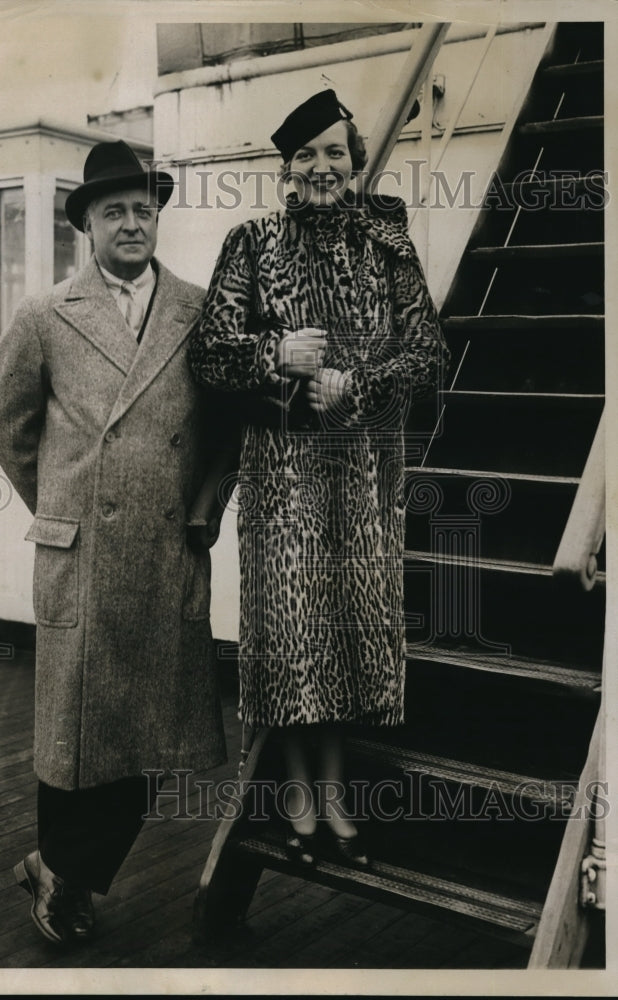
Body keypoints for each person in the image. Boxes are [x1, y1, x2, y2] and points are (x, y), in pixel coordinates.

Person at [188, 89, 448, 868]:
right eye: (305, 156)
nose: (321, 167)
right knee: (294, 636)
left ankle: (335, 792)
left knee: (346, 637)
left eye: (334, 152)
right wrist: (277, 357)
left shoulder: (387, 247)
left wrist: (360, 385)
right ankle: (300, 793)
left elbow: (430, 352)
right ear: (286, 171)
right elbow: (207, 352)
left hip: (363, 474)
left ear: (355, 160)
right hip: (283, 477)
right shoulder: (253, 242)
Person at [0, 140, 226, 947]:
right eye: (115, 211)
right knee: (75, 741)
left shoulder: (199, 310)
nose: (132, 223)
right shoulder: (44, 315)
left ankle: (58, 868)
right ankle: (64, 882)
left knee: (154, 738)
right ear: (86, 224)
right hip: (83, 556)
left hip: (166, 553)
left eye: (144, 210)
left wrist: (203, 510)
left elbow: (227, 430)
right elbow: (9, 428)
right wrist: (64, 508)